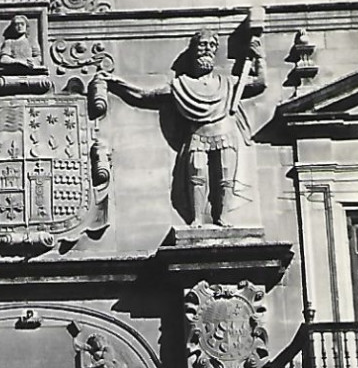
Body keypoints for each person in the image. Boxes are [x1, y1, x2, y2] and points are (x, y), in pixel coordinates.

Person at [108, 29, 266, 227]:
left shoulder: (227, 83)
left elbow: (259, 84)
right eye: (202, 44)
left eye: (212, 45)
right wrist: (117, 83)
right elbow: (145, 95)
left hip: (225, 135)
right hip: (198, 136)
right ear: (193, 50)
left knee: (226, 177)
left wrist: (260, 57)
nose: (207, 49)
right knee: (196, 176)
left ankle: (223, 216)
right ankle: (197, 218)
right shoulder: (181, 85)